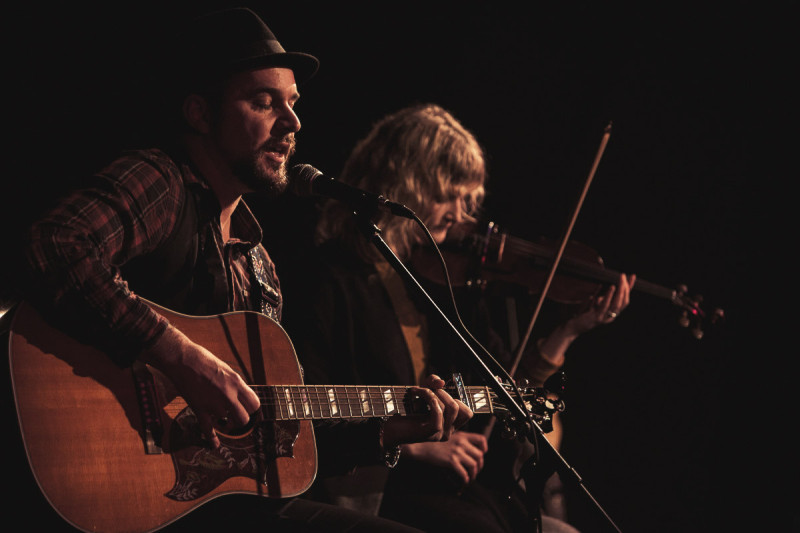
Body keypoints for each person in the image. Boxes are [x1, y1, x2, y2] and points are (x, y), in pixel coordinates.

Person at [12, 9, 471, 533]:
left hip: (209, 503)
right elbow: (56, 245)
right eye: (264, 102)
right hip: (104, 476)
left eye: (293, 104)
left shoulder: (261, 268)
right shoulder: (163, 181)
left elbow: (272, 436)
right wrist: (181, 358)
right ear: (200, 113)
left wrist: (388, 432)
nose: (292, 123)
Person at [281, 103, 635, 532]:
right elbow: (308, 413)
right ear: (406, 183)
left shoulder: (433, 278)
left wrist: (569, 330)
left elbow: (505, 387)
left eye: (466, 200)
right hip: (376, 492)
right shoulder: (327, 279)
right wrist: (415, 444)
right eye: (448, 194)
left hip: (449, 489)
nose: (460, 214)